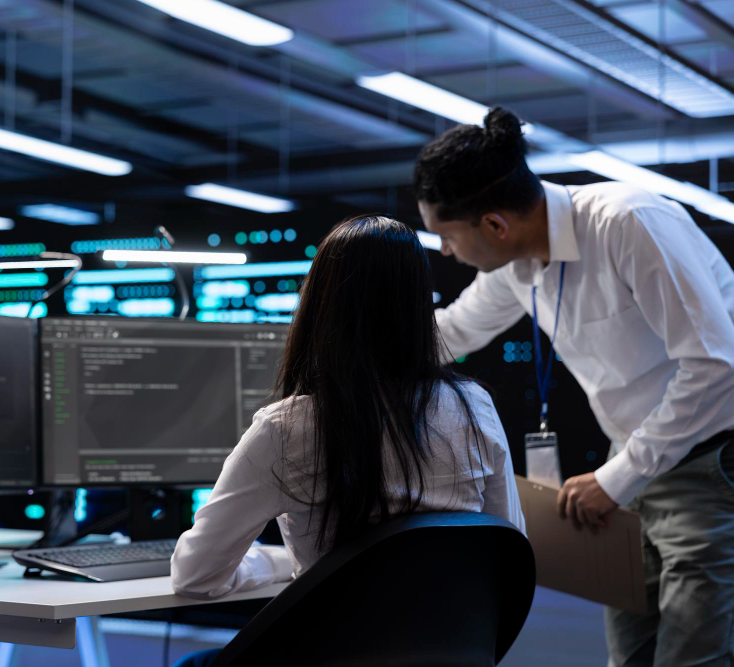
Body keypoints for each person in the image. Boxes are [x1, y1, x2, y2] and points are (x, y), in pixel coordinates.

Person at [420, 107, 734, 666]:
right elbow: (455, 330)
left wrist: (616, 479)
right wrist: (353, 341)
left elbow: (715, 368)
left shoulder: (629, 223)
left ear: (494, 225)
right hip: (633, 464)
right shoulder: (518, 266)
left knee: (693, 657)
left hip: (705, 461)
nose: (445, 251)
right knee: (629, 656)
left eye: (446, 236)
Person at [170, 215, 525, 666]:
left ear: (319, 303)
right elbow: (505, 549)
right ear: (419, 303)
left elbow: (195, 575)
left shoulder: (285, 428)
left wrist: (277, 563)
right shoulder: (475, 407)